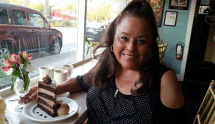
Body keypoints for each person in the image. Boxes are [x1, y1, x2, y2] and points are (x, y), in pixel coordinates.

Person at [21, 0, 186, 123]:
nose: (131, 48)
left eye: (141, 41)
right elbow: (80, 82)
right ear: (113, 38)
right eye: (124, 38)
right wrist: (50, 91)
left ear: (151, 45)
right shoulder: (107, 65)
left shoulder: (165, 79)